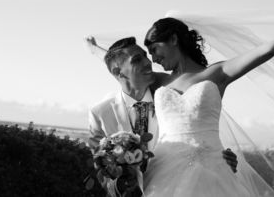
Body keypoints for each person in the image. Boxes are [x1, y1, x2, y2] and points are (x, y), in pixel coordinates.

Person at [141, 8, 274, 196]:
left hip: (214, 169)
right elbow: (121, 66)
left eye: (154, 50)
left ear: (173, 40)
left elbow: (269, 48)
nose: (152, 59)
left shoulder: (217, 73)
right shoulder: (155, 81)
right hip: (164, 168)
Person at [87, 36, 238, 196]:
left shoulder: (171, 101)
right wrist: (121, 186)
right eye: (138, 59)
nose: (148, 62)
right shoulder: (100, 114)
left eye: (146, 55)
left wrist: (218, 160)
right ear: (118, 72)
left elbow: (197, 134)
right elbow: (101, 172)